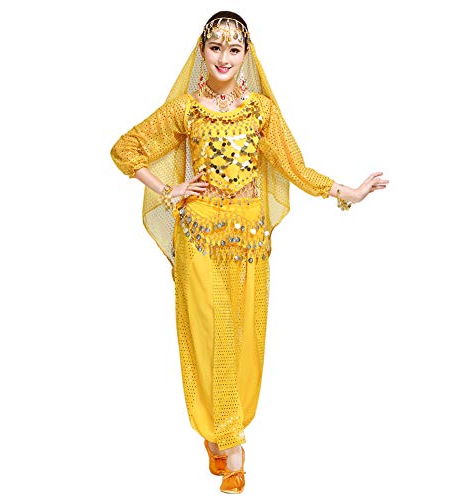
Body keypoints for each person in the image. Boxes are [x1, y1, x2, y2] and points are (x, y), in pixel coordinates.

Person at [110, 11, 388, 494]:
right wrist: (169, 188)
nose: (224, 58)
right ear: (202, 51)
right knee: (211, 330)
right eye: (215, 47)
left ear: (246, 54)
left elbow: (294, 166)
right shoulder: (186, 110)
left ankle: (220, 431)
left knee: (242, 336)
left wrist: (347, 191)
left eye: (234, 49)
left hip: (249, 242)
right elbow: (125, 149)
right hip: (198, 235)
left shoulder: (260, 111)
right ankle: (233, 445)